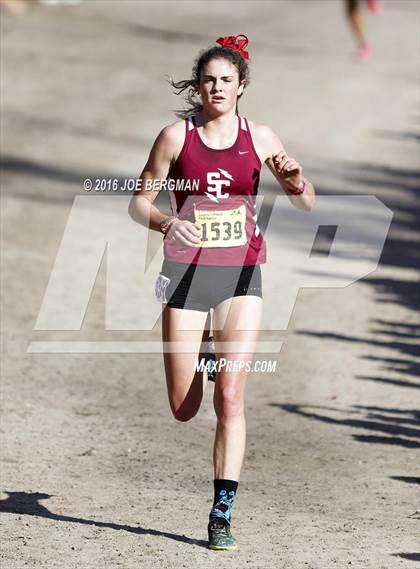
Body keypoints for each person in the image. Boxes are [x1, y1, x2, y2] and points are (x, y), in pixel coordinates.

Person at [128, 34, 315, 551]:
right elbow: (138, 202)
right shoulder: (173, 137)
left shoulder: (260, 136)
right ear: (199, 84)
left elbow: (305, 200)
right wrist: (166, 223)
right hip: (186, 274)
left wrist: (296, 182)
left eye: (226, 80)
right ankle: (207, 355)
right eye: (208, 79)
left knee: (231, 398)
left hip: (241, 272)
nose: (216, 87)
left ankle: (221, 513)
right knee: (185, 407)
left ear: (241, 87)